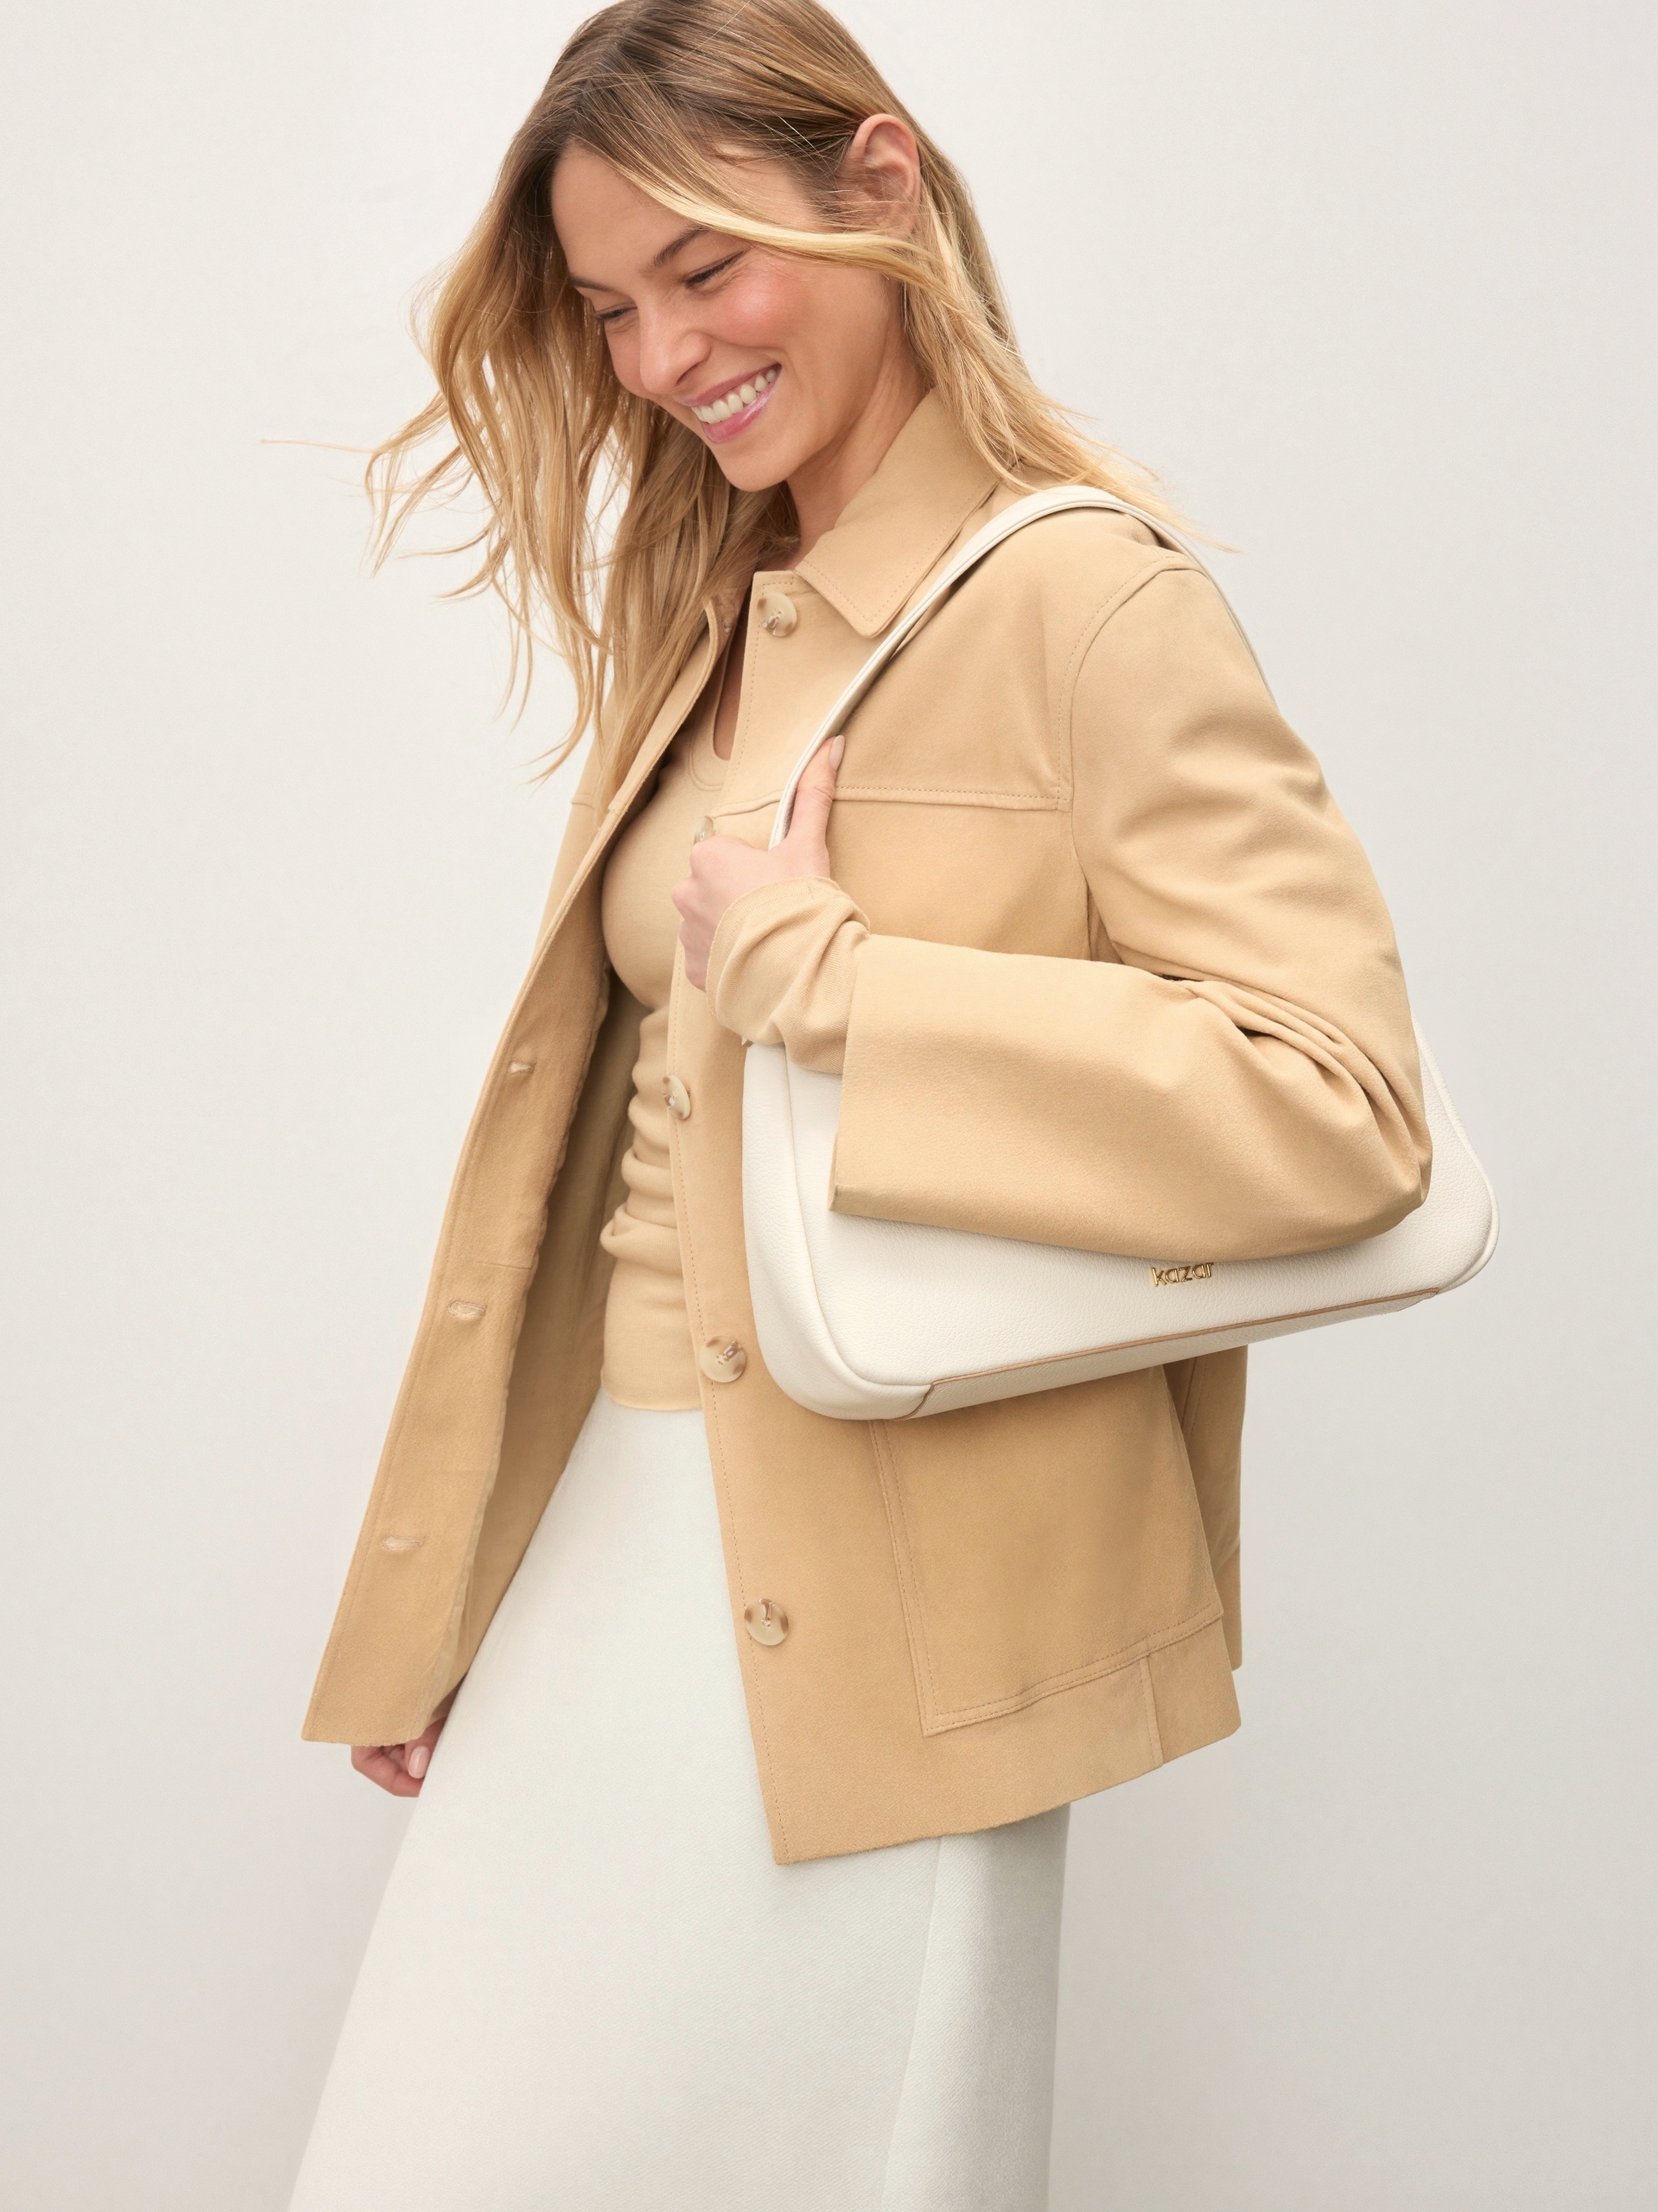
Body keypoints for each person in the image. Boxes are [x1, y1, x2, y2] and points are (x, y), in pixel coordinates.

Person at [289, 3, 1429, 2204]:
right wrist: (468, 1583)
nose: (659, 356)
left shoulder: (1083, 597)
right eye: (610, 308)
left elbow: (1343, 1106)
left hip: (885, 1601)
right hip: (620, 1530)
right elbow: (608, 1166)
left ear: (881, 183)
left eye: (705, 268)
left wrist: (842, 986)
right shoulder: (723, 598)